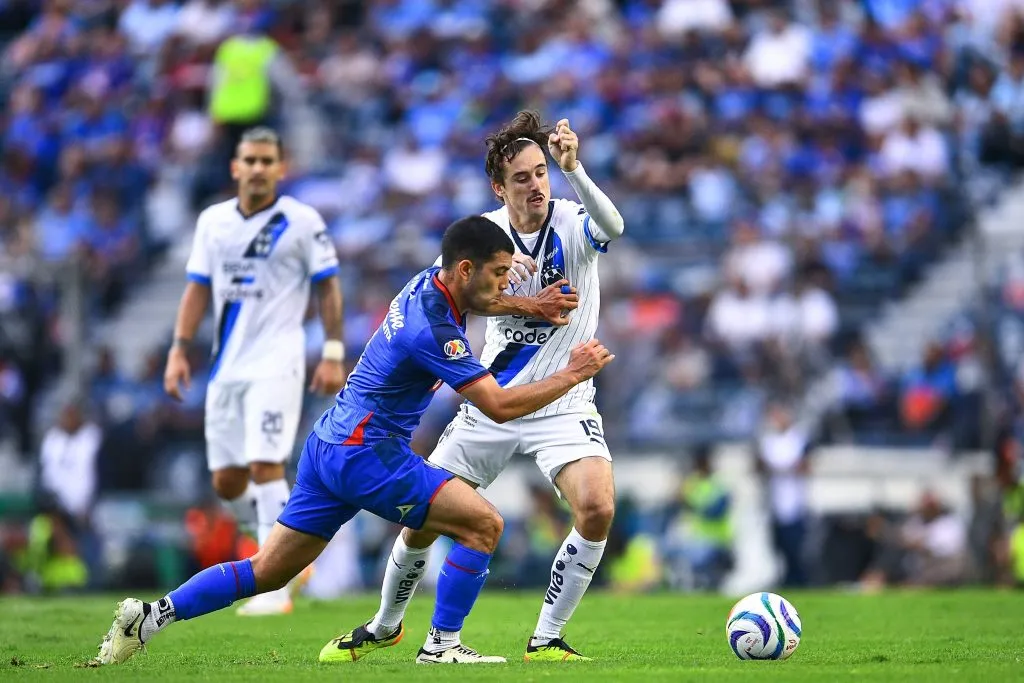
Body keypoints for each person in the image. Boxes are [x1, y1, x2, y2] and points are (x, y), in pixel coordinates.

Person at [94, 215, 615, 666]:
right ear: (464, 270)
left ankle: (148, 618)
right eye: (500, 274)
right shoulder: (434, 330)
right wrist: (574, 372)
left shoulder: (429, 283)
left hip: (329, 443)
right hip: (367, 451)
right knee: (484, 524)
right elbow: (498, 406)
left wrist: (528, 308)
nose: (506, 285)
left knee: (268, 571)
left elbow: (481, 302)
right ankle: (442, 644)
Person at [338, 111, 626, 663]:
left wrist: (576, 169)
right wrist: (528, 304)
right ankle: (385, 625)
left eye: (542, 172)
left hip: (564, 403)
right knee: (425, 517)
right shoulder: (486, 236)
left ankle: (546, 638)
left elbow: (613, 227)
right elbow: (449, 295)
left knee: (597, 509)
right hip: (492, 399)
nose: (537, 185)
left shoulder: (572, 216)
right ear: (500, 187)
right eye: (523, 177)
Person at [163, 126, 346, 616]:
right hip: (226, 368)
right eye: (251, 160)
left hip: (277, 362)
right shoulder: (213, 222)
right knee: (226, 481)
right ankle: (289, 554)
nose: (260, 168)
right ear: (235, 167)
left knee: (266, 465)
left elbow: (328, 286)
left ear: (281, 168)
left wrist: (331, 350)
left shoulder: (302, 221)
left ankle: (274, 584)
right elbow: (197, 288)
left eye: (268, 160)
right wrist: (180, 348)